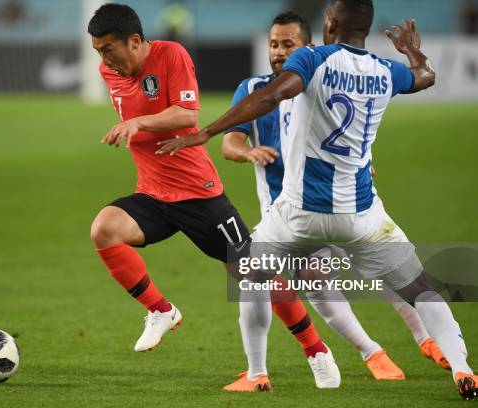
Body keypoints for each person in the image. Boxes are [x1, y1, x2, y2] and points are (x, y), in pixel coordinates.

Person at [157, 0, 476, 400]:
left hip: (298, 214)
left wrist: (207, 132)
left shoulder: (312, 59)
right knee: (421, 289)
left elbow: (274, 96)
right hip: (361, 213)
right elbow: (425, 76)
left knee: (250, 275)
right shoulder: (384, 70)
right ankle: (464, 370)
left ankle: (257, 373)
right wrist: (412, 51)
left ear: (329, 23)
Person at [87, 4, 339, 390]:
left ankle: (316, 351)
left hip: (198, 195)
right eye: (99, 51)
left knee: (255, 277)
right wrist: (135, 122)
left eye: (107, 49)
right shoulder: (111, 70)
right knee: (104, 229)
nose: (104, 60)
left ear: (134, 41)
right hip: (153, 192)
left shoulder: (171, 55)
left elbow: (188, 116)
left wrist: (136, 122)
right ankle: (161, 311)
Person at [221, 10, 449, 383]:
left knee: (376, 270)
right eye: (273, 44)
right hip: (287, 212)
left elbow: (352, 136)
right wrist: (247, 152)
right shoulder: (253, 91)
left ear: (307, 47)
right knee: (318, 282)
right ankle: (371, 352)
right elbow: (230, 142)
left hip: (334, 200)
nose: (278, 52)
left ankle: (425, 339)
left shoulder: (317, 81)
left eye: (287, 44)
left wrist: (363, 164)